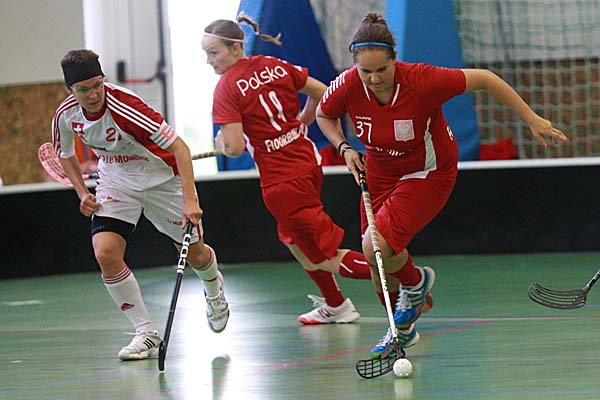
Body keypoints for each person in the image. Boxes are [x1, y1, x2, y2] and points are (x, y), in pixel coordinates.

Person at [316, 12, 569, 357]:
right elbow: (324, 114)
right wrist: (344, 148)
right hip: (378, 172)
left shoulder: (422, 80)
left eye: (382, 70)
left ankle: (415, 284)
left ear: (395, 59)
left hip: (428, 171)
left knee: (374, 244)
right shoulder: (347, 85)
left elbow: (485, 79)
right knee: (376, 260)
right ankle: (402, 329)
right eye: (366, 72)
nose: (374, 79)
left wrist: (532, 118)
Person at [52, 49, 230, 360]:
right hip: (116, 180)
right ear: (70, 90)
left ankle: (214, 291)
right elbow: (64, 154)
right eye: (83, 89)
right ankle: (146, 332)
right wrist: (82, 193)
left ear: (104, 80)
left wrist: (189, 200)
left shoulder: (126, 107)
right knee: (106, 253)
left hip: (162, 179)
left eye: (98, 85)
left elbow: (179, 147)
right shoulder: (65, 116)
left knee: (196, 255)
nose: (93, 95)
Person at [201, 15, 374, 324]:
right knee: (295, 243)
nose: (208, 60)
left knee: (325, 255)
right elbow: (323, 92)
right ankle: (336, 305)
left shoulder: (225, 88)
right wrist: (302, 122)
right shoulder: (274, 64)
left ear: (236, 48)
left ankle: (405, 279)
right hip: (307, 164)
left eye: (214, 52)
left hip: (282, 181)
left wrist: (223, 144)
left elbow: (235, 148)